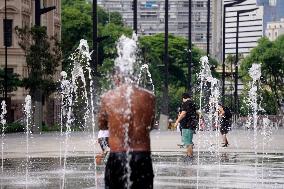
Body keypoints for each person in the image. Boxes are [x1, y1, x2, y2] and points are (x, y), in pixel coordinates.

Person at [98, 68, 155, 189]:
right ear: (133, 78)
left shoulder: (108, 97)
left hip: (117, 155)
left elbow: (102, 125)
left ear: (116, 78)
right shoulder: (149, 96)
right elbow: (150, 125)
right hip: (142, 155)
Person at [174, 93, 198, 159]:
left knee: (188, 142)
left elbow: (183, 114)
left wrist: (177, 121)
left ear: (183, 98)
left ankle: (189, 156)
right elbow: (197, 113)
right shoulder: (193, 103)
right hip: (192, 124)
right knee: (189, 141)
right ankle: (189, 155)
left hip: (187, 124)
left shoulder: (186, 103)